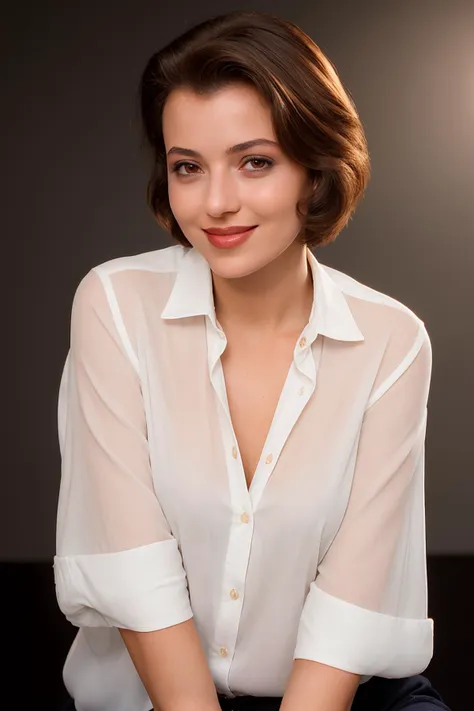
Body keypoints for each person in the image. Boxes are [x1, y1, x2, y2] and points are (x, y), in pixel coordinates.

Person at [54, 10, 451, 711]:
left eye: (255, 161)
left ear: (315, 165)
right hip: (153, 698)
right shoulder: (114, 306)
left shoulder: (392, 342)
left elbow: (348, 608)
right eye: (187, 167)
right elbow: (135, 577)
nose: (216, 203)